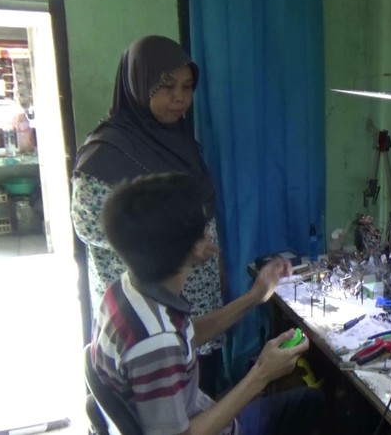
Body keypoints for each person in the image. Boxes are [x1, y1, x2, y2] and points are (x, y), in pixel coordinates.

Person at [92, 172, 324, 435]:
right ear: (193, 247)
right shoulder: (157, 342)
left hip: (193, 411)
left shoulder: (125, 289)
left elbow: (186, 335)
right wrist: (261, 374)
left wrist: (254, 297)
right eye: (204, 230)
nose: (209, 234)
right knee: (312, 402)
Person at [71, 35, 224, 395]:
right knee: (163, 405)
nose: (179, 97)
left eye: (186, 87)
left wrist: (217, 267)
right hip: (145, 316)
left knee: (201, 392)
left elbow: (201, 210)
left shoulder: (182, 142)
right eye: (167, 87)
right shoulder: (104, 153)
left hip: (196, 299)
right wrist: (179, 242)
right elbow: (90, 226)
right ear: (137, 85)